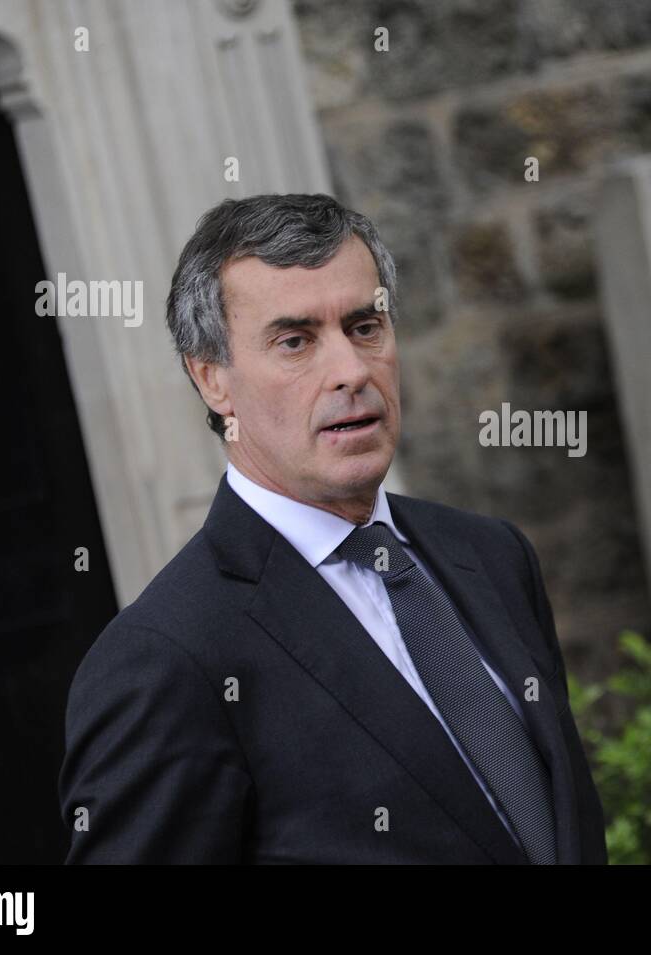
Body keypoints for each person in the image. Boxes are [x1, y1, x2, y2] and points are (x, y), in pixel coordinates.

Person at [57, 193, 607, 864]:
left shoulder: (491, 555)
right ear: (212, 380)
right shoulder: (167, 660)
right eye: (296, 341)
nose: (350, 371)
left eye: (365, 326)